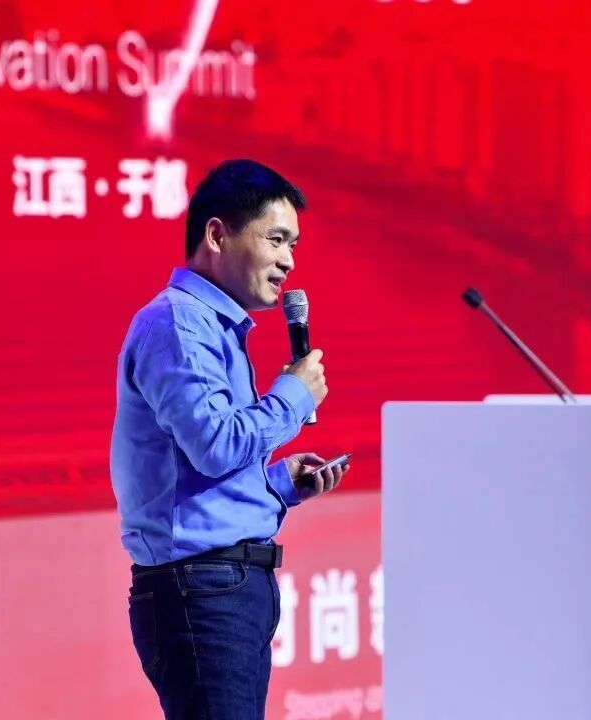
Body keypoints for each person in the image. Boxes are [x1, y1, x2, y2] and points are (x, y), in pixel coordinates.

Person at [110, 159, 349, 719]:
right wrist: (293, 396)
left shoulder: (211, 326)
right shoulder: (178, 323)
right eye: (276, 239)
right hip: (202, 589)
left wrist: (278, 484)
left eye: (294, 245)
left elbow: (200, 466)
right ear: (217, 235)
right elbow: (216, 445)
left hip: (223, 586)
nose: (289, 261)